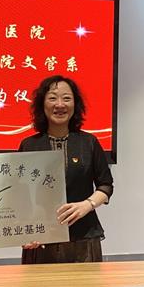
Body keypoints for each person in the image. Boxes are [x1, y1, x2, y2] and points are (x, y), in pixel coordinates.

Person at [20, 75, 113, 264]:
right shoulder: (29, 145)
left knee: (86, 285)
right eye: (52, 98)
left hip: (84, 238)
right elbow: (19, 194)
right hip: (40, 240)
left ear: (75, 105)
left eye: (67, 98)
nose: (60, 104)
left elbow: (106, 185)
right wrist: (25, 229)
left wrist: (87, 205)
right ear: (42, 104)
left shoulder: (89, 142)